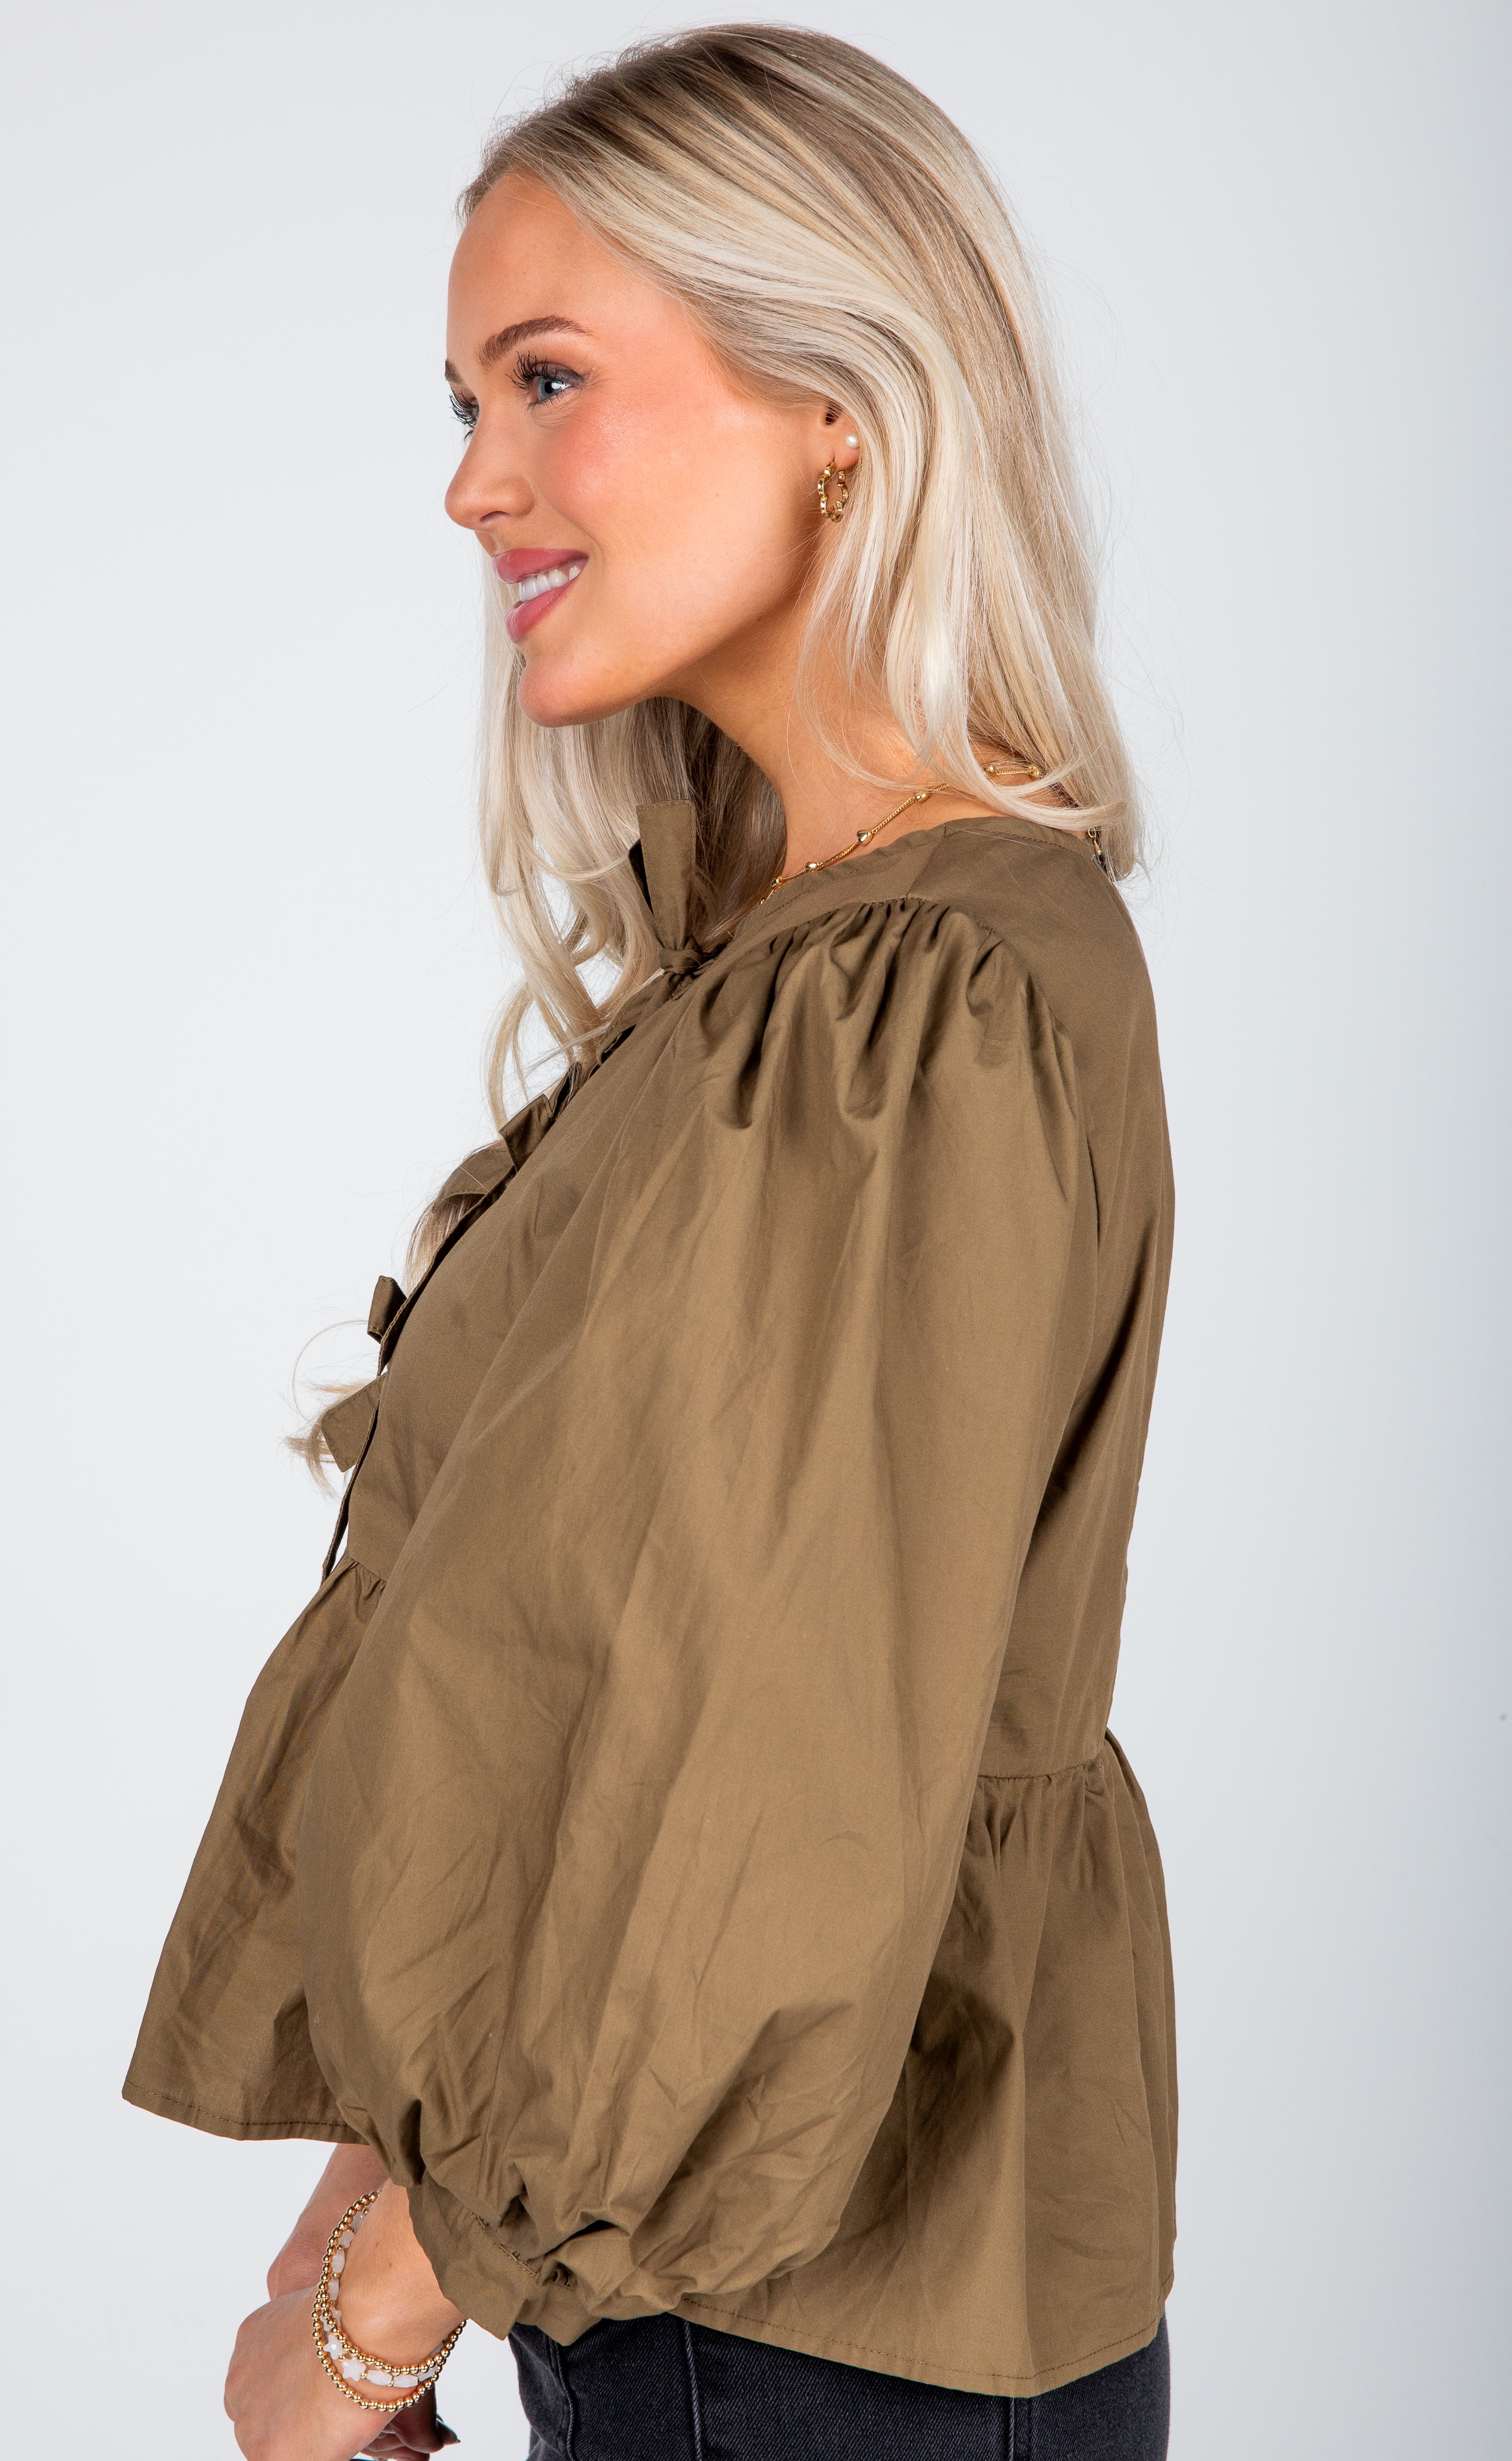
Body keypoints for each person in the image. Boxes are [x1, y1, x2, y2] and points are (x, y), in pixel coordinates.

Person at [125, 26, 1177, 2460]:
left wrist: (375, 2322)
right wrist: (373, 2215)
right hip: (715, 2294)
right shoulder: (800, 975)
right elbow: (609, 1676)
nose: (472, 480)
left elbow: (757, 1801)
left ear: (838, 399)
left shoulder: (909, 1002)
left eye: (548, 381)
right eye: (467, 397)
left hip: (810, 2328)